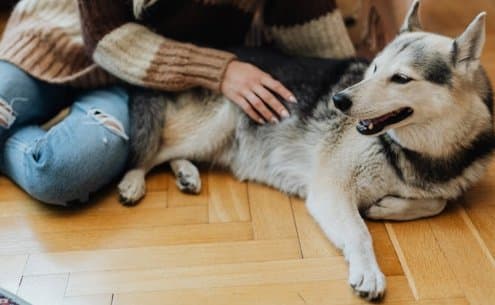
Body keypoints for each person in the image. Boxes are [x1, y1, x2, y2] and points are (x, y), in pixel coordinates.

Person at [0, 0, 404, 206]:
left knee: (57, 174)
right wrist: (220, 70)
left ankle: (14, 142)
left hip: (142, 85)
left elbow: (311, 34)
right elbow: (106, 37)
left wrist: (361, 103)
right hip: (54, 43)